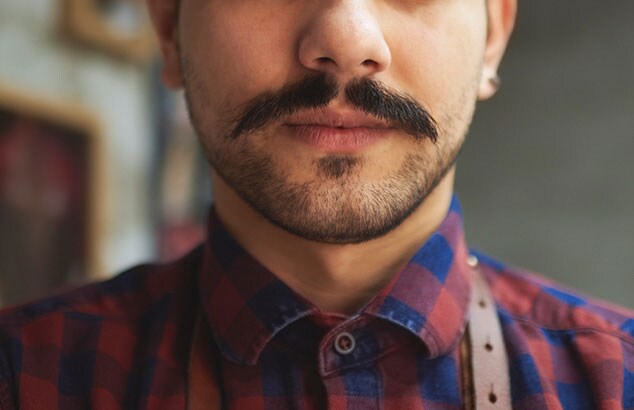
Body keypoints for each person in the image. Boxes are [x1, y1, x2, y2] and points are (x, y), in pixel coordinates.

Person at [0, 0, 632, 408]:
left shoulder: (619, 381)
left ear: (492, 37)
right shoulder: (24, 376)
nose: (347, 38)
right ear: (170, 31)